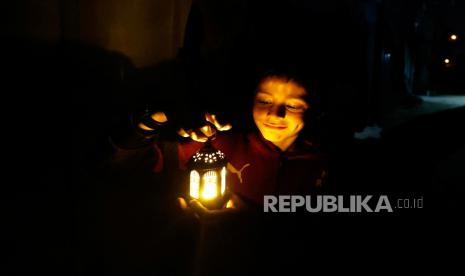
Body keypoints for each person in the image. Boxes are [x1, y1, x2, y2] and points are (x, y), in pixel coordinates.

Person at [111, 68, 329, 215]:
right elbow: (123, 163)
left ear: (315, 110)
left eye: (293, 105)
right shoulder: (219, 145)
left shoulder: (323, 162)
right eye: (264, 101)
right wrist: (156, 118)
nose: (276, 113)